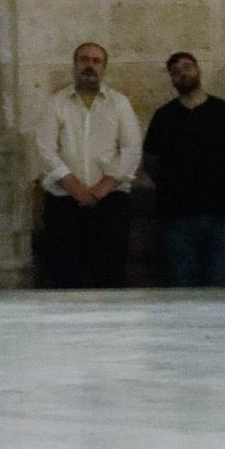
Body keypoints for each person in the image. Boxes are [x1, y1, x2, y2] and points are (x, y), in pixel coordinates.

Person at [36, 42, 143, 289]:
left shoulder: (119, 103)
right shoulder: (56, 103)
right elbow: (45, 148)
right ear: (74, 65)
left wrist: (102, 188)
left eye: (96, 61)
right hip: (64, 201)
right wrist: (73, 185)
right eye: (84, 59)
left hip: (110, 201)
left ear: (104, 68)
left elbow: (131, 148)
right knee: (65, 273)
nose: (89, 65)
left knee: (109, 272)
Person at [142, 52, 225, 287]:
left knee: (219, 282)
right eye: (176, 70)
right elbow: (150, 159)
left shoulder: (224, 111)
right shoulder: (164, 116)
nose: (183, 73)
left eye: (187, 67)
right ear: (171, 78)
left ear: (198, 70)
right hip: (178, 215)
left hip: (222, 212)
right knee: (182, 285)